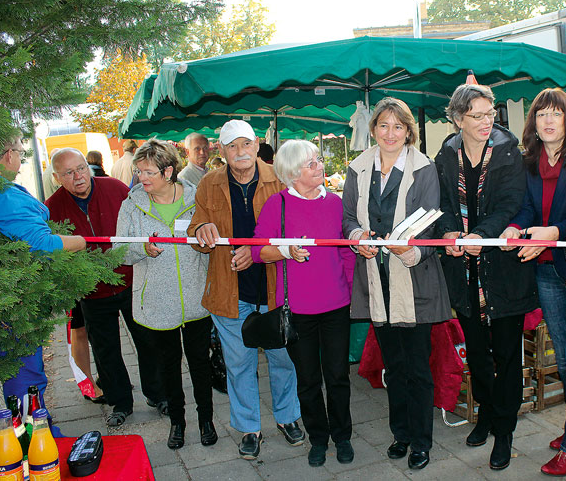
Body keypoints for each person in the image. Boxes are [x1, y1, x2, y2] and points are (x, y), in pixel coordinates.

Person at [343, 97, 451, 471]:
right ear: (373, 129)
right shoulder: (357, 169)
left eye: (398, 127)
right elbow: (346, 219)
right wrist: (358, 236)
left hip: (413, 278)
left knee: (418, 367)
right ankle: (400, 433)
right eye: (384, 126)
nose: (390, 133)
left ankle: (421, 440)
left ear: (409, 132)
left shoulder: (424, 169)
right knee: (393, 364)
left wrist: (412, 250)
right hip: (377, 279)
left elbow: (431, 222)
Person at [501, 88, 566, 476]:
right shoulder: (530, 161)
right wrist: (514, 227)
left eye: (555, 115)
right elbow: (526, 207)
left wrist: (554, 231)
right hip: (544, 268)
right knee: (562, 357)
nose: (547, 121)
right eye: (541, 114)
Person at [434, 84, 537, 471]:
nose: (486, 120)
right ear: (458, 118)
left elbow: (513, 202)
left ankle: (505, 431)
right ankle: (488, 416)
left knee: (507, 356)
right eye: (476, 114)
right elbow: (440, 201)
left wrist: (482, 235)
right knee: (477, 353)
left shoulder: (509, 152)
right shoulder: (445, 153)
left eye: (489, 112)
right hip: (462, 268)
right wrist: (449, 232)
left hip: (501, 268)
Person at [188, 119, 303, 460]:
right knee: (239, 364)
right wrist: (203, 229)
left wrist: (255, 252)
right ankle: (249, 428)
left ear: (256, 144)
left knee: (283, 359)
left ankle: (288, 418)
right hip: (229, 289)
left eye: (245, 144)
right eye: (231, 147)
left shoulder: (279, 178)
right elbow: (196, 227)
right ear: (221, 152)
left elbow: (296, 229)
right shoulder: (208, 184)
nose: (240, 152)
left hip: (274, 287)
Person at [46, 148, 168, 427]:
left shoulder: (114, 188)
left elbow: (143, 216)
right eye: (69, 173)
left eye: (81, 168)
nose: (78, 176)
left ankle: (158, 394)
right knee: (106, 349)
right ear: (56, 177)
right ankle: (120, 401)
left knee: (149, 341)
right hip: (92, 291)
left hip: (130, 280)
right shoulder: (51, 207)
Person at [252, 140, 356, 467]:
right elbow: (257, 250)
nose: (320, 167)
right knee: (308, 379)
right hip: (297, 309)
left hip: (337, 305)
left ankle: (342, 437)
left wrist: (350, 290)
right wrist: (286, 250)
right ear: (294, 174)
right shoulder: (277, 205)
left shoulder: (336, 203)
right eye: (312, 164)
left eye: (318, 160)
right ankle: (318, 438)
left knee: (338, 375)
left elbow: (344, 252)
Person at [116, 139, 216, 450]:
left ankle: (206, 420)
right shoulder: (132, 205)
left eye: (148, 172)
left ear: (168, 171)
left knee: (201, 363)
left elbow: (212, 237)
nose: (141, 178)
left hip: (196, 297)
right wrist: (141, 247)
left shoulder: (196, 197)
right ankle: (177, 421)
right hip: (158, 302)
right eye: (139, 171)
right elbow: (119, 251)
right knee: (168, 365)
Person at [0, 134, 86, 421]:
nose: (20, 157)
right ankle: (32, 440)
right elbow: (43, 245)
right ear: (7, 155)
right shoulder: (3, 196)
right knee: (24, 375)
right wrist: (79, 241)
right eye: (19, 151)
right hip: (11, 304)